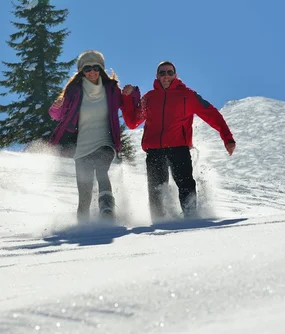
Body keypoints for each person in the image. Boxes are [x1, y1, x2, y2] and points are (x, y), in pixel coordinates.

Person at [122, 61, 236, 222]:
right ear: (157, 76)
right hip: (154, 150)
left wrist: (227, 138)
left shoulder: (188, 95)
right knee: (156, 189)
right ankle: (158, 221)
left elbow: (212, 114)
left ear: (175, 75)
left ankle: (191, 217)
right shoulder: (149, 98)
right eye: (162, 73)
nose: (166, 76)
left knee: (185, 184)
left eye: (169, 72)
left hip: (179, 148)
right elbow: (133, 122)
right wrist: (127, 99)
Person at [49, 50, 141, 222]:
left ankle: (107, 208)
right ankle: (83, 225)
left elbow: (128, 104)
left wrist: (132, 92)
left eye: (95, 67)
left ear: (101, 69)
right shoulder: (74, 91)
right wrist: (56, 106)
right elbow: (58, 115)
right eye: (87, 68)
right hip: (82, 145)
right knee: (84, 190)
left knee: (101, 169)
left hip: (105, 141)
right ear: (81, 71)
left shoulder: (111, 89)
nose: (92, 71)